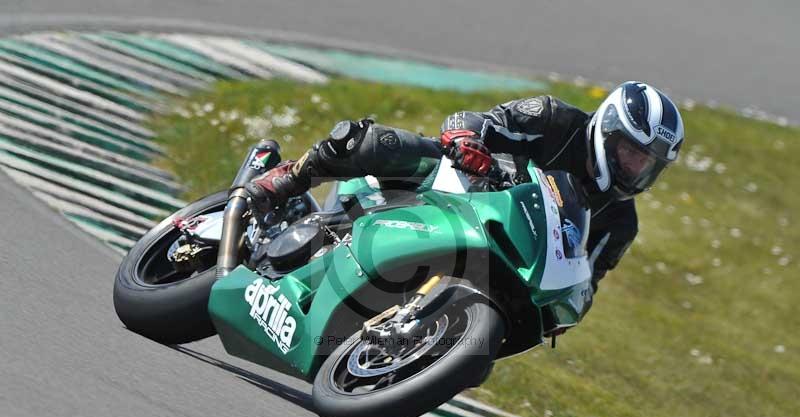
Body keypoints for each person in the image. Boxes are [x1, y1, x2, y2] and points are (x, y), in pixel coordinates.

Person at [244, 81, 684, 296]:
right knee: (375, 141)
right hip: (456, 190)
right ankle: (288, 177)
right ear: (607, 131)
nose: (635, 167)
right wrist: (467, 142)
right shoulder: (554, 119)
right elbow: (472, 120)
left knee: (483, 358)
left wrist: (568, 306)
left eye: (647, 163)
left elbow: (587, 283)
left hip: (496, 256)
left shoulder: (619, 222)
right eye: (631, 152)